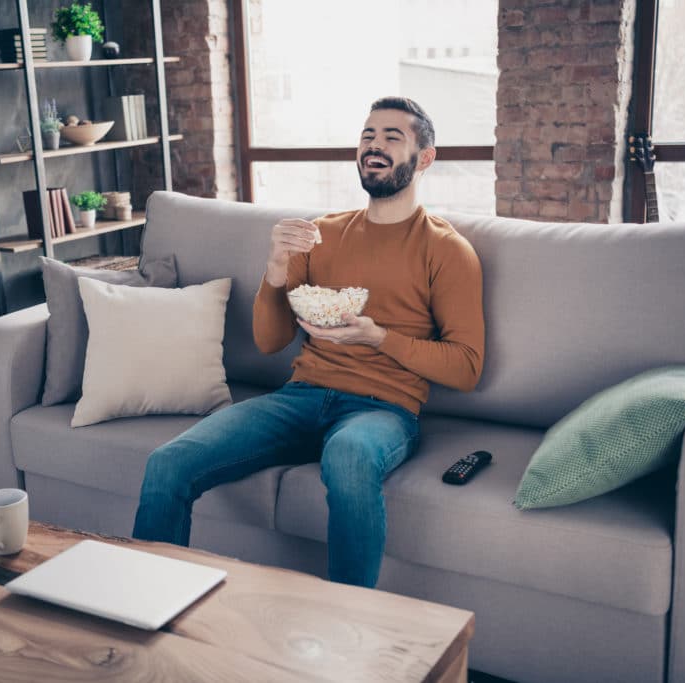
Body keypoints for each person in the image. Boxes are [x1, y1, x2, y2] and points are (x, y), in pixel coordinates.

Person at [132, 96, 485, 588]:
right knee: (167, 463)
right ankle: (147, 603)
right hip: (300, 397)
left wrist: (378, 337)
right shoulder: (318, 235)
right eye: (367, 136)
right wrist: (275, 270)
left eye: (391, 137)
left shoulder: (446, 250)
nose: (374, 147)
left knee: (349, 455)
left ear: (425, 158)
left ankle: (349, 623)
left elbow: (467, 367)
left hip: (384, 410)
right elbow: (270, 340)